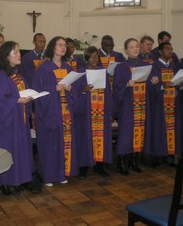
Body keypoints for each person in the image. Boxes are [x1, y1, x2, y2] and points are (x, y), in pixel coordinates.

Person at [0, 41, 36, 196]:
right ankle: (4, 181)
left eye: (19, 52)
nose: (19, 54)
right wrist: (16, 100)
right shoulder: (1, 76)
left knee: (19, 151)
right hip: (6, 122)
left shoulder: (17, 74)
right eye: (15, 52)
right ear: (6, 56)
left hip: (19, 120)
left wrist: (29, 98)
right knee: (8, 151)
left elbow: (21, 91)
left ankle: (16, 180)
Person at [33, 36, 78, 186]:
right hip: (50, 112)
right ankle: (49, 176)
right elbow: (38, 91)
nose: (63, 47)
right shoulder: (44, 68)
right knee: (51, 144)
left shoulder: (68, 67)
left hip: (65, 111)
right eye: (59, 45)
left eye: (64, 45)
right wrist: (55, 88)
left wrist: (71, 88)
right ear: (53, 48)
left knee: (64, 143)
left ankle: (62, 173)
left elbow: (75, 87)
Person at [113, 38, 158, 175]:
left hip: (142, 105)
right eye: (132, 47)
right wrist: (127, 84)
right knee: (126, 133)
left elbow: (150, 86)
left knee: (139, 133)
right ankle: (121, 162)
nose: (135, 49)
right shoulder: (121, 67)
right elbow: (116, 87)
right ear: (126, 50)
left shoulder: (147, 65)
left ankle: (134, 160)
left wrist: (154, 82)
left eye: (137, 46)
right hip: (127, 105)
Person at [73, 46, 113, 178]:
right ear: (86, 58)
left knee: (101, 138)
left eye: (96, 56)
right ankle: (83, 167)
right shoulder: (81, 73)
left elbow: (109, 93)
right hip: (87, 113)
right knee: (85, 139)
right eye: (92, 56)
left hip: (101, 112)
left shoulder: (103, 72)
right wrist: (84, 90)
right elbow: (75, 93)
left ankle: (99, 166)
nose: (95, 59)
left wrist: (110, 111)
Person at [150, 42, 181, 166]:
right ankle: (157, 157)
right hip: (159, 104)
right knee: (159, 129)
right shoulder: (154, 66)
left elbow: (179, 82)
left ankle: (170, 155)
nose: (170, 51)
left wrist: (181, 85)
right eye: (167, 49)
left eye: (171, 49)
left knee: (172, 129)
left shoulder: (175, 66)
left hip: (173, 103)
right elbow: (151, 87)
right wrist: (163, 85)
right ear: (160, 51)